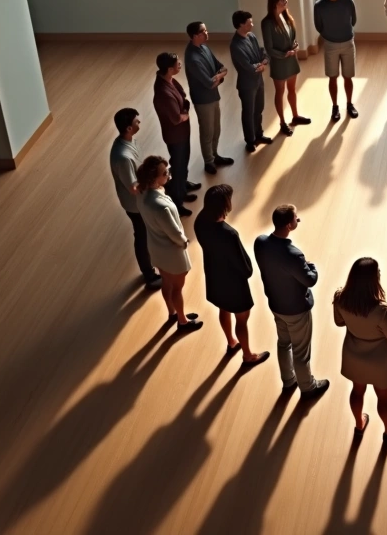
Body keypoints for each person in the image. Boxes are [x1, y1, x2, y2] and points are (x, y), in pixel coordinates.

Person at [253, 204, 329, 398]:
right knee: (301, 351)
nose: (298, 220)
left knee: (283, 343)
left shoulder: (260, 243)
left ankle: (288, 380)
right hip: (296, 310)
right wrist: (311, 266)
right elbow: (310, 279)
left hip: (276, 305)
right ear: (288, 225)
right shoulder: (293, 255)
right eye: (296, 218)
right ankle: (308, 387)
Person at [193, 185, 270, 368]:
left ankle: (231, 342)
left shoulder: (200, 220)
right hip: (234, 283)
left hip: (214, 275)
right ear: (224, 204)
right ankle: (248, 355)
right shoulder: (228, 234)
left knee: (223, 308)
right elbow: (246, 269)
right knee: (241, 320)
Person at [334, 257, 387, 441]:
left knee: (357, 391)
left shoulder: (340, 298)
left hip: (353, 356)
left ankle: (359, 424)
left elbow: (339, 322)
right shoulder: (382, 310)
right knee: (383, 399)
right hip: (380, 362)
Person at [134, 156, 202, 332]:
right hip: (172, 253)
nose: (168, 174)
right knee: (177, 288)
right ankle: (182, 321)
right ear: (154, 178)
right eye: (165, 173)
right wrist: (185, 241)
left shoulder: (141, 195)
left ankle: (172, 313)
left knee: (166, 282)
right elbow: (174, 233)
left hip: (156, 249)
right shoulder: (160, 206)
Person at [109, 108, 161, 290]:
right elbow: (133, 188)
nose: (140, 123)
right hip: (135, 205)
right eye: (137, 122)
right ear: (129, 128)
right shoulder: (123, 157)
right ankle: (149, 274)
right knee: (142, 235)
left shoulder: (131, 141)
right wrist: (156, 182)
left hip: (141, 198)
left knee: (145, 234)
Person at [151, 52, 199, 217]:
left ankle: (182, 187)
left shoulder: (168, 80)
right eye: (178, 64)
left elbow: (183, 97)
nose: (180, 65)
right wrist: (185, 114)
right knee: (178, 167)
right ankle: (177, 200)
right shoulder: (164, 92)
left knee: (182, 162)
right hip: (176, 135)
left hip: (181, 133)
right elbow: (177, 118)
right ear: (170, 69)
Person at [262, 0, 312, 137]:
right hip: (279, 62)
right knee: (280, 92)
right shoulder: (267, 23)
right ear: (274, 2)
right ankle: (282, 122)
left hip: (291, 60)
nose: (285, 1)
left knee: (292, 89)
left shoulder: (287, 17)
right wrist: (284, 54)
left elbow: (292, 38)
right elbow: (269, 48)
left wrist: (295, 46)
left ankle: (295, 116)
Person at [184, 21, 232, 175]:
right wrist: (219, 76)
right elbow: (209, 83)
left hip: (213, 96)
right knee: (207, 131)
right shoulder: (193, 58)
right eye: (203, 31)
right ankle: (209, 162)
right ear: (195, 36)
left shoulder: (204, 47)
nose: (207, 33)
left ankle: (214, 154)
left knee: (216, 128)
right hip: (203, 99)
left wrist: (218, 76)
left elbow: (221, 67)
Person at [314, 0, 359, 121]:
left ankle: (349, 104)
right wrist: (330, 35)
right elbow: (318, 26)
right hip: (330, 45)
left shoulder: (348, 2)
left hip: (348, 43)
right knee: (332, 77)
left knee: (348, 76)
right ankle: (335, 107)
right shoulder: (320, 5)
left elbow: (354, 20)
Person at [229, 10, 274, 152]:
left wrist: (265, 60)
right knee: (248, 112)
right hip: (247, 84)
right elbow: (246, 66)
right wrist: (259, 66)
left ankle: (259, 134)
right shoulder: (235, 45)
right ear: (241, 25)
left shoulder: (252, 36)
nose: (252, 25)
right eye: (249, 23)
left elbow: (262, 52)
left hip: (258, 81)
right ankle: (250, 140)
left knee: (258, 109)